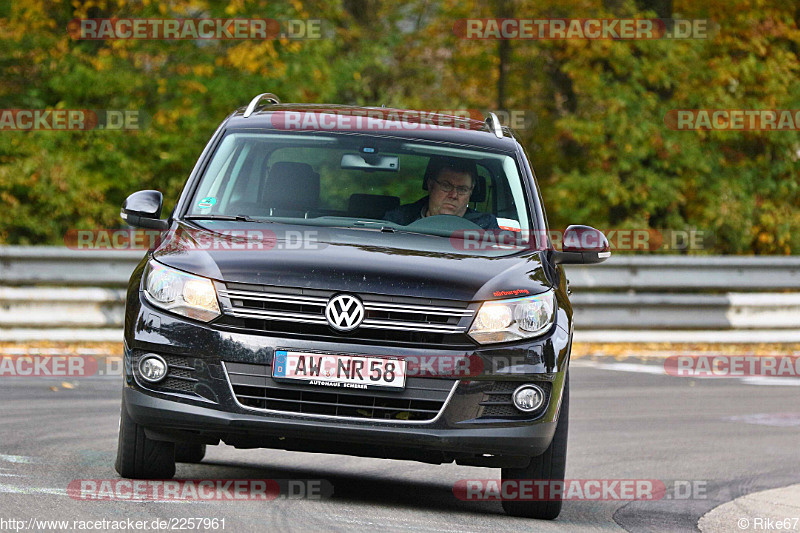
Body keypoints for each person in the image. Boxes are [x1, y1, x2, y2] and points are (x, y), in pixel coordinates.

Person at [383, 157, 500, 229]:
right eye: (446, 186)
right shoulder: (398, 221)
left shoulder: (486, 226)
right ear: (430, 185)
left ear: (471, 191)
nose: (454, 195)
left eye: (462, 189)